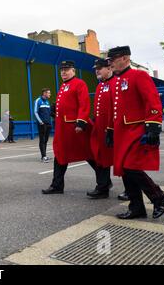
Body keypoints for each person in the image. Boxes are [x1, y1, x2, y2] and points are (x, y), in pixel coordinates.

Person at [106, 46, 164, 219]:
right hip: (121, 132)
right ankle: (136, 207)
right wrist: (110, 130)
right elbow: (114, 109)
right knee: (124, 169)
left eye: (113, 60)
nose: (110, 63)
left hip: (136, 130)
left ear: (125, 58)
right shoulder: (116, 81)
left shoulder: (139, 75)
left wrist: (154, 125)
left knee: (131, 167)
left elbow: (152, 100)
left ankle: (157, 195)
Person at [42, 61, 101, 195]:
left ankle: (103, 183)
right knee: (60, 154)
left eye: (67, 69)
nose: (63, 72)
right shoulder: (63, 86)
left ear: (73, 71)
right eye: (62, 70)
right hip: (64, 128)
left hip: (75, 127)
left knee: (88, 154)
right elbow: (67, 106)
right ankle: (57, 185)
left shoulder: (79, 83)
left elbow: (84, 104)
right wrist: (55, 110)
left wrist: (81, 122)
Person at [87, 59, 115, 199]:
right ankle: (103, 187)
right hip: (100, 129)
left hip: (112, 129)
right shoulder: (100, 85)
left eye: (100, 68)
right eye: (96, 68)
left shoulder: (115, 83)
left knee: (122, 161)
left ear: (109, 68)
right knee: (98, 157)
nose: (97, 70)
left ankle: (131, 190)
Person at [34, 88, 52, 162]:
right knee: (42, 140)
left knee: (46, 140)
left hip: (48, 124)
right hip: (42, 124)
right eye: (48, 93)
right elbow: (35, 112)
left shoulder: (47, 102)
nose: (50, 94)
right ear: (44, 93)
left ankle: (45, 155)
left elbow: (49, 113)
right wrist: (41, 122)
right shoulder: (38, 100)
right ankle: (43, 157)